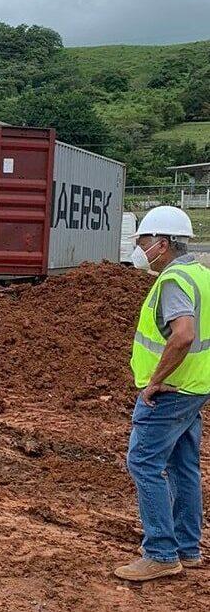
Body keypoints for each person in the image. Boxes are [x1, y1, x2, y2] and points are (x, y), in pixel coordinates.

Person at [114, 205, 210, 582]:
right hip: (196, 388)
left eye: (145, 240)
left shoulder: (172, 282)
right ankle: (187, 549)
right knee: (183, 466)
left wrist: (154, 380)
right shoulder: (200, 274)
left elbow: (184, 334)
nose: (140, 246)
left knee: (144, 463)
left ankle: (160, 553)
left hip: (169, 393)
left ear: (164, 243)